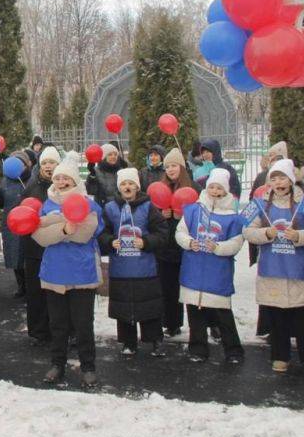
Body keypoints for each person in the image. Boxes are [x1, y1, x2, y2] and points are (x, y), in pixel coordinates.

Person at [243, 159, 304, 373]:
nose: (278, 182)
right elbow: (246, 230)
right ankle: (280, 356)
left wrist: (299, 236)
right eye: (273, 178)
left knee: (303, 317)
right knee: (277, 317)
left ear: (291, 180)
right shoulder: (260, 204)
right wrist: (266, 233)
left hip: (297, 269)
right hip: (272, 269)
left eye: (282, 178)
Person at [32, 153, 103, 388]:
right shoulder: (47, 203)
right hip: (54, 272)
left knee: (83, 324)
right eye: (58, 178)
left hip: (82, 273)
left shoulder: (89, 203)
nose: (61, 182)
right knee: (58, 324)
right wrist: (65, 228)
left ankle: (88, 367)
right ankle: (57, 364)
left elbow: (85, 234)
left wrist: (54, 224)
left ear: (75, 182)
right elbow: (40, 237)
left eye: (66, 179)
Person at [176, 168, 245, 363]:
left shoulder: (233, 216)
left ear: (226, 191)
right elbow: (180, 232)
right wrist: (189, 242)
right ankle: (197, 348)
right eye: (212, 187)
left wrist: (218, 247)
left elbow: (236, 243)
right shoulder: (193, 210)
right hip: (194, 268)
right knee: (194, 313)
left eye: (219, 188)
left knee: (223, 314)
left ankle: (233, 350)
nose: (215, 191)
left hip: (218, 271)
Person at [98, 167, 168, 357]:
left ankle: (155, 340)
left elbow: (162, 233)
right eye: (123, 184)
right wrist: (110, 242)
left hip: (144, 268)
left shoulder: (148, 207)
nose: (127, 187)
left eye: (131, 183)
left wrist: (146, 242)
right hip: (120, 268)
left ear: (137, 187)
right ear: (118, 187)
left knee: (150, 307)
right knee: (123, 307)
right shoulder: (111, 208)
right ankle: (128, 342)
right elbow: (101, 233)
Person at [20, 145, 61, 346]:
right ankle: (38, 330)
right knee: (36, 293)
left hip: (59, 248)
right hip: (35, 248)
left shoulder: (64, 187)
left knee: (57, 292)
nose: (48, 166)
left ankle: (61, 329)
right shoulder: (31, 187)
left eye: (52, 162)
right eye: (44, 162)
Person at [155, 148, 190, 336]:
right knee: (167, 286)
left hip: (186, 247)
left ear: (182, 167)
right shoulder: (160, 187)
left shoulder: (192, 188)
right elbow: (151, 213)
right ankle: (171, 323)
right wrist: (162, 214)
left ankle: (207, 325)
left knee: (185, 287)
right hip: (164, 246)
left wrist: (180, 216)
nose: (170, 169)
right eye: (167, 166)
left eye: (174, 165)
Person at [0, 150, 32, 299]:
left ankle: (30, 286)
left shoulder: (32, 179)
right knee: (14, 256)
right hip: (11, 223)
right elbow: (0, 203)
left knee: (28, 255)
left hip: (29, 223)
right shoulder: (5, 181)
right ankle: (21, 286)